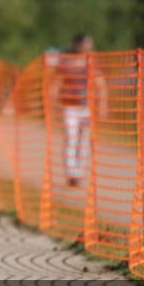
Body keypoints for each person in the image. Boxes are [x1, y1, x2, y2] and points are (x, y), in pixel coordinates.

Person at [51, 34, 105, 188]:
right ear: (78, 45)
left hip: (87, 108)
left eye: (90, 44)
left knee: (83, 142)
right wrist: (54, 104)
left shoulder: (92, 62)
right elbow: (56, 83)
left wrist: (102, 105)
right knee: (71, 138)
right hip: (69, 107)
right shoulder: (66, 61)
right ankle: (71, 173)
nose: (89, 47)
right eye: (87, 44)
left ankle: (78, 172)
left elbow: (100, 84)